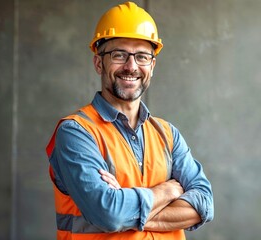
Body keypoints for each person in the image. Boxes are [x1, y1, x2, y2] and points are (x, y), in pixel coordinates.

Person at [45, 1, 214, 239]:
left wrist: (126, 206)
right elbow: (109, 214)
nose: (131, 66)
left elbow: (204, 204)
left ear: (152, 66)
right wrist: (168, 190)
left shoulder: (167, 134)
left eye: (142, 56)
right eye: (119, 54)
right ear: (98, 63)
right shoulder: (76, 132)